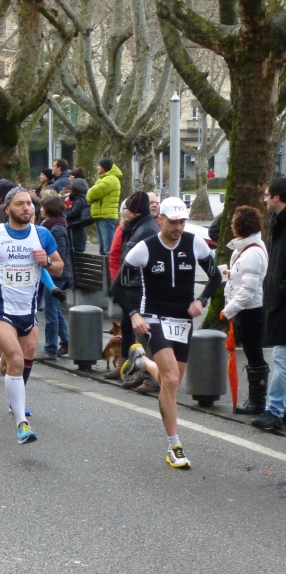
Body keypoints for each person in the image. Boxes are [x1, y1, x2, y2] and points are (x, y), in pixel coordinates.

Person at [112, 197, 222, 468]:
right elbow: (117, 286)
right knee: (171, 380)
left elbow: (216, 277)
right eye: (173, 222)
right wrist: (134, 314)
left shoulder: (194, 243)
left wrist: (202, 300)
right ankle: (174, 446)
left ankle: (141, 361)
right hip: (153, 319)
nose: (178, 228)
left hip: (183, 321)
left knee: (170, 382)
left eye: (182, 222)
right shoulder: (144, 249)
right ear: (160, 219)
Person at [0, 187, 65, 444]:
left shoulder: (42, 234)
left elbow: (59, 267)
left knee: (10, 364)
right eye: (20, 204)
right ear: (8, 208)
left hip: (27, 310)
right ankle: (22, 424)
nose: (27, 208)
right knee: (15, 359)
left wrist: (46, 262)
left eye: (30, 204)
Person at [106, 192, 160, 384]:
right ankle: (128, 366)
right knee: (129, 328)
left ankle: (143, 372)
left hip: (138, 287)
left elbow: (138, 262)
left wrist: (121, 282)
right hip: (131, 286)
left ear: (133, 211)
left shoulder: (145, 230)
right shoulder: (135, 227)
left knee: (140, 331)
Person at [220, 206, 269, 415]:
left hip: (250, 310)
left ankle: (257, 401)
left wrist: (227, 310)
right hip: (246, 309)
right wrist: (231, 274)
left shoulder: (252, 253)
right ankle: (255, 399)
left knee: (254, 354)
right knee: (251, 353)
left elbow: (248, 290)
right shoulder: (246, 249)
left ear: (238, 226)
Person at [252, 179, 286, 430]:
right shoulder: (278, 224)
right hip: (278, 301)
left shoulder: (281, 225)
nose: (264, 199)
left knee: (281, 359)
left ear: (277, 197)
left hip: (282, 304)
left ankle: (274, 409)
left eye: (266, 195)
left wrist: (279, 290)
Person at [35, 196, 73, 360]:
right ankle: (66, 342)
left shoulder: (56, 229)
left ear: (49, 209)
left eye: (43, 207)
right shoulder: (51, 225)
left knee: (51, 312)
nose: (41, 210)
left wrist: (47, 263)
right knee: (55, 310)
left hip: (56, 275)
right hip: (53, 273)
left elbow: (59, 256)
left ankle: (50, 349)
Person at [87, 158, 122, 255]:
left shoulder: (109, 179)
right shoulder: (105, 178)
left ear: (104, 167)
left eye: (99, 165)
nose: (97, 167)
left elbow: (92, 194)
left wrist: (89, 192)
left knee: (107, 249)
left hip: (106, 216)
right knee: (103, 249)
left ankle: (108, 265)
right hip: (102, 215)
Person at [66, 178, 91, 253]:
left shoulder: (79, 199)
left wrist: (62, 212)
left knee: (77, 251)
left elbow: (73, 214)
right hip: (79, 228)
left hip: (76, 229)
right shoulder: (84, 197)